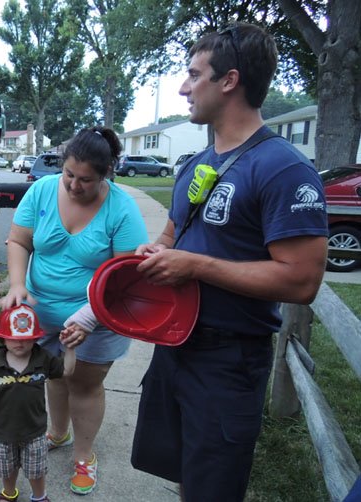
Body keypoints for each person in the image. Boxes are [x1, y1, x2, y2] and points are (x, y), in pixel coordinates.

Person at [130, 23, 329, 501]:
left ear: (230, 81)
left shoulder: (283, 169)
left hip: (228, 360)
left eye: (194, 75)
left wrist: (195, 266)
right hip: (175, 346)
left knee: (214, 488)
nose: (183, 87)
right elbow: (175, 231)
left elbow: (301, 281)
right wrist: (157, 250)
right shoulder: (198, 162)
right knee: (185, 473)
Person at [0, 126, 149, 495]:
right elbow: (19, 240)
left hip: (99, 318)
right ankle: (58, 432)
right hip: (43, 316)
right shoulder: (42, 190)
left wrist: (89, 317)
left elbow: (124, 280)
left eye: (86, 180)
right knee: (53, 375)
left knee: (83, 383)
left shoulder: (121, 209)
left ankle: (84, 456)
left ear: (106, 175)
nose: (73, 186)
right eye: (68, 174)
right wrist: (18, 284)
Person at [0, 304, 78, 502]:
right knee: (7, 469)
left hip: (35, 431)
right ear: (2, 337)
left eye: (26, 339)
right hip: (4, 431)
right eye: (13, 338)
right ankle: (9, 493)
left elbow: (67, 371)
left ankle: (39, 496)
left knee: (36, 470)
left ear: (35, 337)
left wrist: (70, 349)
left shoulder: (42, 358)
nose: (20, 344)